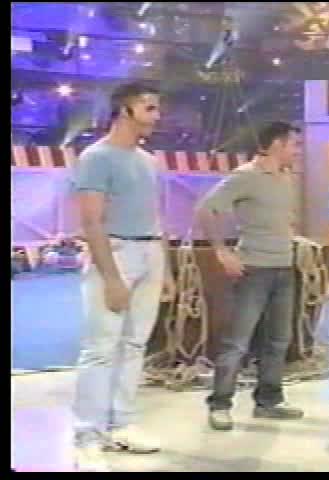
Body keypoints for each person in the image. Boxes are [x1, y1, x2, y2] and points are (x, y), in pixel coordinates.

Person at [71, 82, 175, 471]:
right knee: (101, 348)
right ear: (125, 111)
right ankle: (87, 435)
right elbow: (91, 222)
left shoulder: (149, 161)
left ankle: (122, 424)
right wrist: (112, 277)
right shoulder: (96, 157)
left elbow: (156, 217)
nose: (157, 116)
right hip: (115, 252)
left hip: (150, 253)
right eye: (149, 108)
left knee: (134, 345)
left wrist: (165, 268)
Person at [196, 121, 304, 431]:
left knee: (278, 340)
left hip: (285, 268)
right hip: (254, 270)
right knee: (237, 343)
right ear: (277, 145)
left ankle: (269, 401)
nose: (297, 151)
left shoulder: (287, 178)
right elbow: (205, 209)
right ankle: (220, 404)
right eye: (294, 145)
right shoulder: (245, 176)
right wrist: (221, 251)